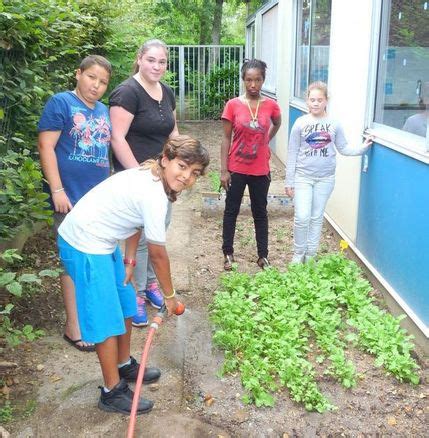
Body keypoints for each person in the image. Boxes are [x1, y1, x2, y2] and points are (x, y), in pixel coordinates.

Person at [56, 135, 210, 414]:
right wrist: (170, 296)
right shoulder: (152, 193)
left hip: (103, 243)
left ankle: (123, 363)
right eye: (182, 166)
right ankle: (111, 392)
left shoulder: (155, 180)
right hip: (84, 244)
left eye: (194, 173)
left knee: (127, 303)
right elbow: (158, 254)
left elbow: (135, 222)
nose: (187, 176)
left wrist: (128, 260)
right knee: (106, 319)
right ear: (166, 159)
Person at [38, 55, 113, 352]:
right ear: (78, 74)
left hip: (96, 199)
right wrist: (57, 189)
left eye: (103, 82)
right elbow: (46, 146)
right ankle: (73, 327)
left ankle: (93, 317)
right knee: (71, 260)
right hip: (69, 197)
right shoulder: (61, 103)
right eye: (92, 77)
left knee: (94, 258)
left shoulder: (104, 110)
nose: (96, 85)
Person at [109, 39, 179, 327]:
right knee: (136, 239)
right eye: (151, 60)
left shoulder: (167, 92)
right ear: (139, 59)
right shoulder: (127, 92)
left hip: (162, 178)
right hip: (136, 178)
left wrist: (179, 166)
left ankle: (151, 285)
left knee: (158, 231)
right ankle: (135, 294)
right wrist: (139, 173)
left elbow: (173, 131)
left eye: (162, 62)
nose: (157, 66)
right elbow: (117, 137)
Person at [285, 81, 373, 264]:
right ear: (307, 101)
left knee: (316, 217)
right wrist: (289, 181)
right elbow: (292, 152)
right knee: (302, 217)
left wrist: (363, 148)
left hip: (325, 179)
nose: (315, 103)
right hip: (303, 177)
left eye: (319, 100)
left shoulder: (334, 124)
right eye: (312, 100)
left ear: (326, 101)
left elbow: (343, 148)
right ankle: (298, 254)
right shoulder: (300, 124)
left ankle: (310, 256)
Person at [220, 59, 282, 271]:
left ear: (263, 80)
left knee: (260, 212)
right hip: (237, 168)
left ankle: (262, 256)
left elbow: (277, 123)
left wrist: (266, 140)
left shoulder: (271, 106)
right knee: (231, 211)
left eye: (257, 80)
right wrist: (224, 170)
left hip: (260, 170)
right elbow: (226, 139)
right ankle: (228, 254)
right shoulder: (233, 105)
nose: (253, 84)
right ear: (243, 80)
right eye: (249, 80)